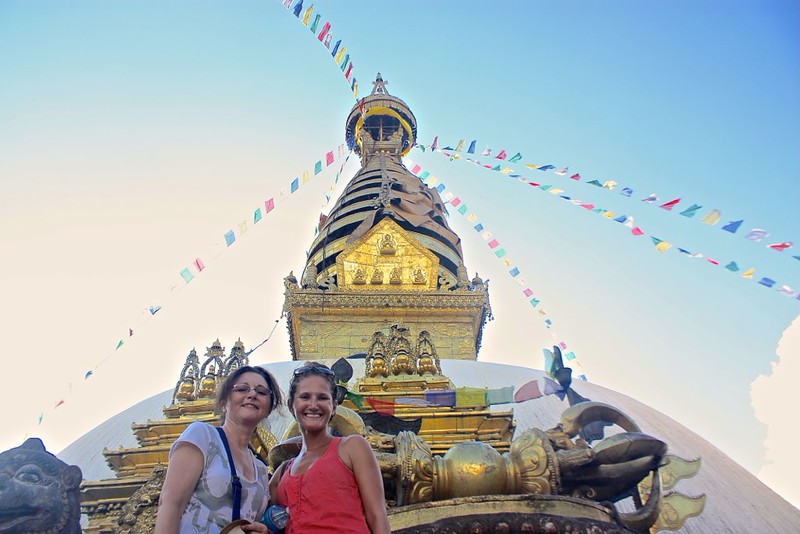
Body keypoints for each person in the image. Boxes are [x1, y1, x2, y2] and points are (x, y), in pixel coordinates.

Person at [155, 365, 282, 533]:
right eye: (242, 389)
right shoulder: (203, 435)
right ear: (223, 403)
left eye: (262, 392)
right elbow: (171, 503)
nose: (252, 395)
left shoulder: (261, 469)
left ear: (268, 409)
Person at [270, 362, 390, 534]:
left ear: (334, 406)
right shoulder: (282, 474)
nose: (313, 405)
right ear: (291, 405)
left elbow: (377, 516)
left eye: (322, 398)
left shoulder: (352, 448)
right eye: (305, 397)